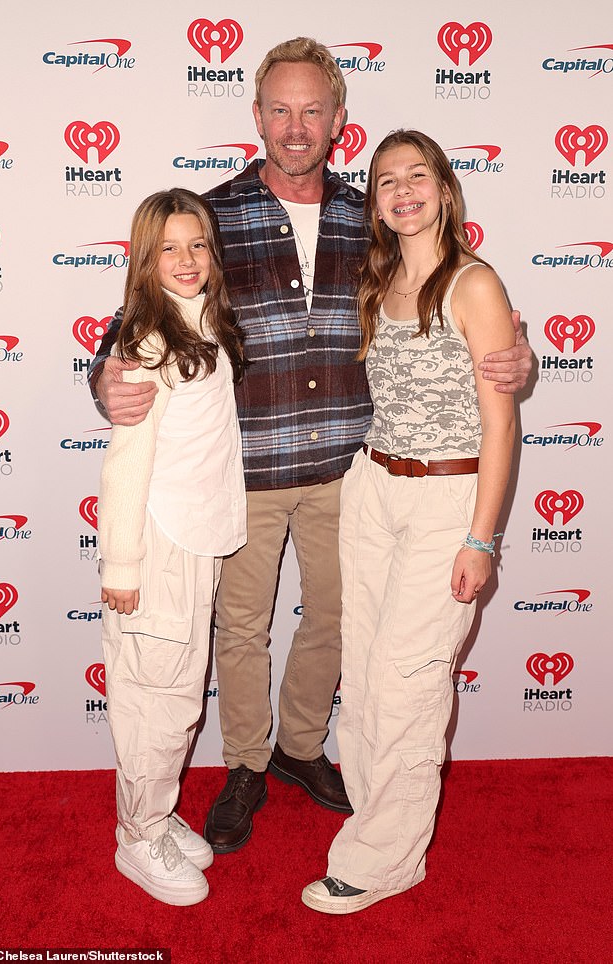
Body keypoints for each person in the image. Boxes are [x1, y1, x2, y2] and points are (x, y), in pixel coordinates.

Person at [90, 38, 532, 856]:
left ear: (338, 120)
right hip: (247, 470)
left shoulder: (370, 214)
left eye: (313, 110)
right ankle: (247, 763)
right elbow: (142, 315)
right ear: (257, 115)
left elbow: (441, 296)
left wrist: (515, 351)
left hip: (348, 471)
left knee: (335, 620)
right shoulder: (213, 215)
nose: (297, 127)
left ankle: (300, 747)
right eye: (281, 110)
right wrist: (103, 377)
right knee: (242, 628)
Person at [302, 130, 517, 914]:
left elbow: (502, 426)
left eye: (416, 175)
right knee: (362, 673)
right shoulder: (377, 279)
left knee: (406, 682)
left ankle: (385, 861)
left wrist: (480, 538)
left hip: (445, 502)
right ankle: (378, 822)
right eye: (386, 179)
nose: (401, 190)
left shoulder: (474, 284)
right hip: (374, 486)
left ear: (444, 188)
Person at [98, 188, 246, 904]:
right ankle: (137, 837)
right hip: (157, 546)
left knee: (179, 696)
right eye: (169, 249)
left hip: (199, 538)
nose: (187, 262)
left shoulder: (206, 321)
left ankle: (154, 814)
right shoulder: (146, 339)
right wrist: (123, 564)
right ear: (144, 257)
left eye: (198, 246)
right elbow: (126, 462)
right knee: (155, 698)